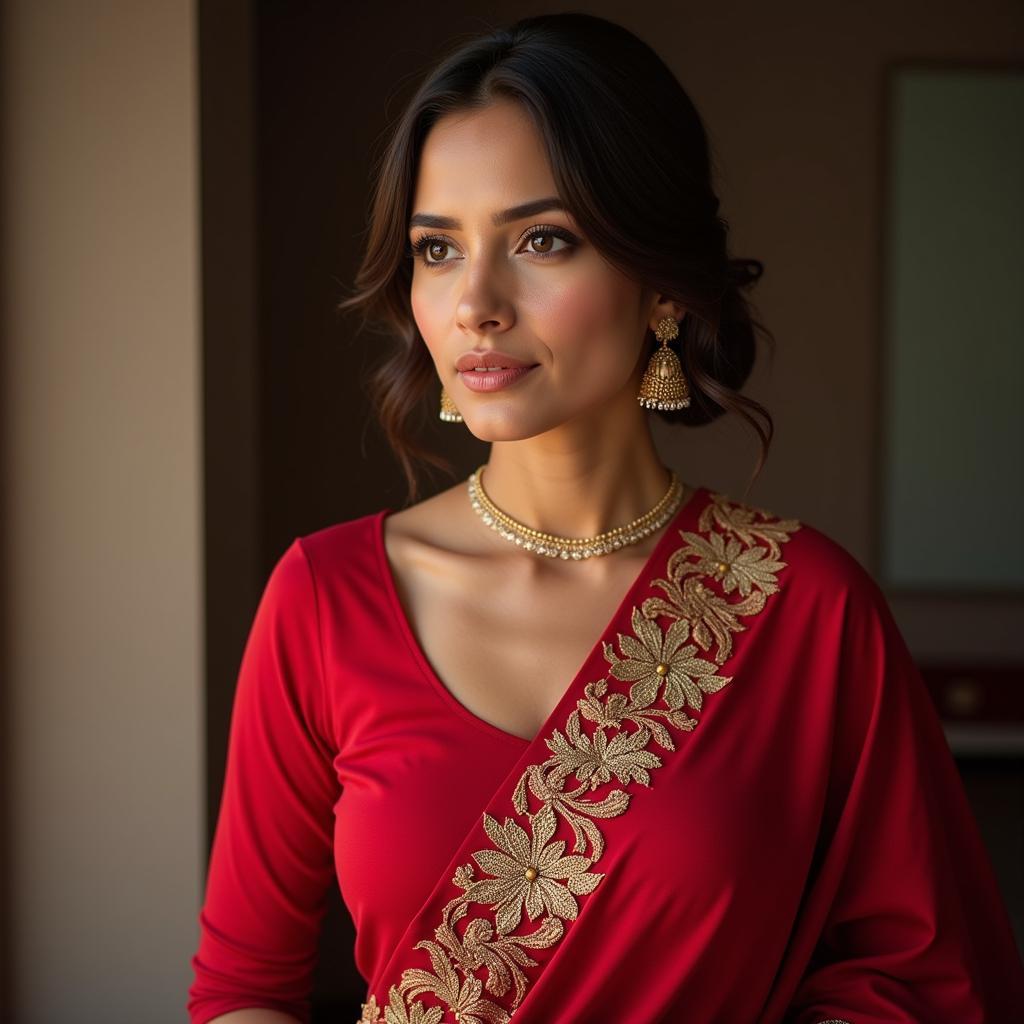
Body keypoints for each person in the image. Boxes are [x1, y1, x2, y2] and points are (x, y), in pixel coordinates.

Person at [187, 13, 1024, 1024]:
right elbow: (243, 990)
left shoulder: (805, 606)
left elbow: (921, 976)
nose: (476, 303)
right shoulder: (326, 596)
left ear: (661, 283)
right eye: (438, 249)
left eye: (542, 240)